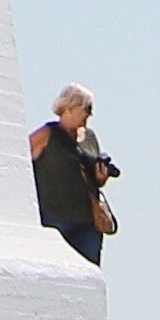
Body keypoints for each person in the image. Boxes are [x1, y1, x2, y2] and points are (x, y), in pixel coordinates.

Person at [31, 85, 119, 266]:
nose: (90, 115)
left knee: (89, 274)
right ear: (69, 107)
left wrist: (100, 178)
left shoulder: (90, 137)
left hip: (88, 223)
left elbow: (91, 179)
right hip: (55, 220)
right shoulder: (47, 134)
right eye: (87, 109)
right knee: (54, 272)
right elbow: (18, 161)